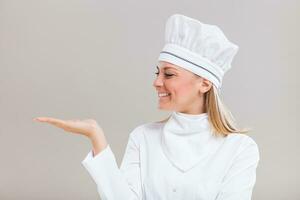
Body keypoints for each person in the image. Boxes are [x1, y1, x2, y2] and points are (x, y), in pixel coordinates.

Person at [34, 14, 260, 200]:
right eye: (157, 72)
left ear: (205, 83)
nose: (157, 82)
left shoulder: (240, 149)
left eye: (169, 74)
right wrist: (96, 136)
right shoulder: (143, 137)